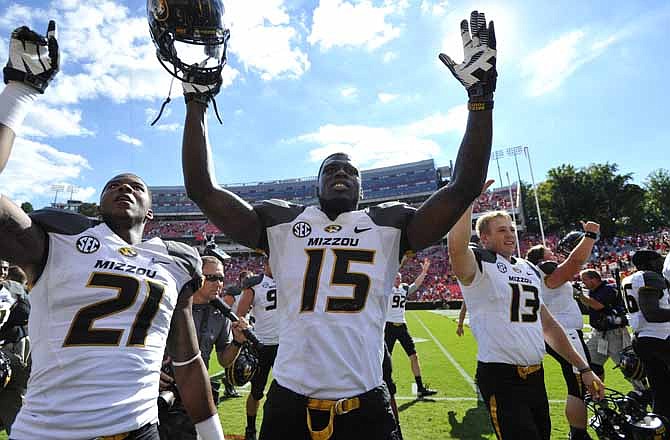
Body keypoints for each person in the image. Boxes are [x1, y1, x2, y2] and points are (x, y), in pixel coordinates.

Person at [182, 9, 498, 439]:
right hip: (289, 400)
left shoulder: (390, 223)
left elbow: (464, 187)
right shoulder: (281, 220)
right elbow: (203, 191)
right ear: (315, 186)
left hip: (366, 400)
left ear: (363, 189)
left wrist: (480, 101)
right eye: (330, 168)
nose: (340, 172)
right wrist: (197, 101)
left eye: (350, 170)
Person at [0, 22, 224, 440]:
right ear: (97, 204)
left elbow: (189, 360)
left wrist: (212, 436)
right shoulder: (55, 242)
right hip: (48, 432)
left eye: (136, 186)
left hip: (138, 429)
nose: (124, 188)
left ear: (152, 213)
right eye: (113, 185)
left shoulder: (176, 262)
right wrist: (20, 91)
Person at [447, 180, 604, 440]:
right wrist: (467, 200)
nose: (510, 234)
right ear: (484, 238)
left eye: (511, 228)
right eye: (501, 230)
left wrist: (583, 367)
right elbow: (457, 249)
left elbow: (549, 325)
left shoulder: (527, 268)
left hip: (535, 375)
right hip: (501, 376)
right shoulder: (480, 265)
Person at [159, 255, 249, 439]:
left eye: (221, 278)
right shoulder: (170, 305)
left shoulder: (221, 314)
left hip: (196, 392)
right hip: (162, 390)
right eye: (212, 278)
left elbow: (224, 360)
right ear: (196, 278)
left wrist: (238, 341)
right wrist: (152, 372)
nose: (219, 283)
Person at [525, 223, 600, 440]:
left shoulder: (534, 275)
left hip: (555, 332)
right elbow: (574, 263)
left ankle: (578, 430)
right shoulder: (544, 272)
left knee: (579, 380)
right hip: (564, 332)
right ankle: (578, 434)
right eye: (549, 254)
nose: (555, 257)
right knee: (577, 384)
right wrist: (590, 235)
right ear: (541, 260)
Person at [621, 250, 670, 421]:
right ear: (648, 263)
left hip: (642, 338)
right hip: (660, 336)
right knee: (661, 387)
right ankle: (640, 399)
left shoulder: (629, 279)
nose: (662, 263)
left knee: (660, 389)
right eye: (659, 260)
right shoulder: (649, 276)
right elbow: (652, 313)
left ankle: (660, 425)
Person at [236, 259, 279, 440]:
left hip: (285, 345)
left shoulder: (289, 280)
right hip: (261, 344)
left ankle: (281, 425)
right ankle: (251, 428)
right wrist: (245, 330)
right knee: (256, 392)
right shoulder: (255, 284)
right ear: (266, 263)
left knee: (286, 389)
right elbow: (240, 314)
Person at [385, 258, 437, 398]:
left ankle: (420, 387)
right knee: (385, 358)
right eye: (395, 277)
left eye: (399, 277)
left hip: (402, 326)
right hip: (388, 327)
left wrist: (424, 271)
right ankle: (385, 385)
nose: (397, 279)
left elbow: (416, 284)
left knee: (413, 356)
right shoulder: (387, 288)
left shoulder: (404, 288)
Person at [578, 269, 633, 383]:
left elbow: (598, 306)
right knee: (591, 363)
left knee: (627, 365)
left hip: (614, 333)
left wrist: (580, 295)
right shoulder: (594, 291)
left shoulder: (608, 289)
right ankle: (598, 393)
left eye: (585, 280)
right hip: (598, 333)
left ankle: (643, 391)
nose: (583, 283)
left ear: (594, 279)